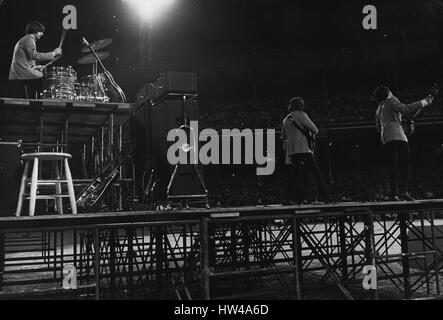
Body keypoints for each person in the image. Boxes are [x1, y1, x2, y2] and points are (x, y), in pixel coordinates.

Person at [374, 86, 434, 201]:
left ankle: (393, 194)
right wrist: (425, 101)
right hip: (398, 135)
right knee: (405, 164)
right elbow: (406, 109)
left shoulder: (378, 109)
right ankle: (403, 191)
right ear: (387, 93)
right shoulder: (391, 100)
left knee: (392, 167)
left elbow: (378, 127)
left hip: (386, 138)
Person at [282, 97, 330, 204]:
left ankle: (291, 198)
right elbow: (315, 129)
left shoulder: (286, 119)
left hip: (292, 152)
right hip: (303, 149)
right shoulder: (301, 115)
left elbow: (284, 137)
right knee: (316, 173)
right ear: (301, 105)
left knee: (295, 176)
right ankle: (325, 196)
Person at [9, 21, 62, 99]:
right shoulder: (29, 39)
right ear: (35, 31)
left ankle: (35, 105)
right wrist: (53, 53)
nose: (42, 34)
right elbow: (35, 55)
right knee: (44, 81)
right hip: (22, 73)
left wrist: (35, 67)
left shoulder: (26, 39)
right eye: (40, 32)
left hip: (21, 71)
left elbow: (27, 59)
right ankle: (39, 105)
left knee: (40, 78)